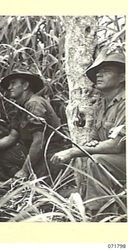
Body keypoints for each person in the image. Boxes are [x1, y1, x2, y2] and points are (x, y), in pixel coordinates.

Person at [50, 48, 126, 217]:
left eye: (106, 71)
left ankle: (99, 214)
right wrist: (91, 143)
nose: (99, 75)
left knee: (96, 160)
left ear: (122, 77)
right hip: (118, 161)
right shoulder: (101, 105)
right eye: (97, 72)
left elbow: (116, 146)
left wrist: (72, 151)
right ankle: (87, 203)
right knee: (86, 157)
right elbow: (95, 137)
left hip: (122, 158)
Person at [0, 69, 64, 182]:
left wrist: (25, 170)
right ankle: (18, 181)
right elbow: (12, 137)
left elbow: (39, 142)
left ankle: (25, 179)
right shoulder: (21, 107)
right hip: (32, 150)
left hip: (49, 152)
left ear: (25, 85)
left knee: (42, 183)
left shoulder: (34, 104)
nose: (9, 87)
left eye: (13, 83)